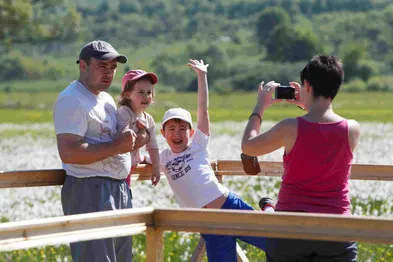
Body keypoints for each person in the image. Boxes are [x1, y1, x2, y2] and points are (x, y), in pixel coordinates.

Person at [241, 55, 360, 261]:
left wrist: (259, 106)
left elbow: (248, 146)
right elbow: (321, 126)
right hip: (337, 230)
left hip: (290, 229)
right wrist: (308, 104)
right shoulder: (351, 129)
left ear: (306, 84)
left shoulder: (290, 127)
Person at [159, 59, 267, 262]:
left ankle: (271, 211)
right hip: (209, 225)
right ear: (163, 133)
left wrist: (202, 76)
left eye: (182, 129)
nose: (177, 134)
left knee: (275, 243)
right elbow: (138, 157)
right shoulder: (162, 157)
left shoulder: (198, 145)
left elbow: (203, 110)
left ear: (191, 132)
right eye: (171, 129)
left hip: (228, 207)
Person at [53, 40, 135, 262]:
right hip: (89, 190)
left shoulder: (106, 99)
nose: (109, 73)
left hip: (118, 189)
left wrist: (137, 140)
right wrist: (118, 146)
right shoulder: (72, 99)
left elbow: (114, 142)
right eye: (102, 66)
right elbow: (69, 153)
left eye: (113, 68)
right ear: (83, 65)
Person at [118, 69, 161, 188]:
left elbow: (153, 146)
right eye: (141, 92)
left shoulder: (149, 119)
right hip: (121, 166)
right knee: (124, 192)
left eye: (149, 92)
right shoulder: (124, 112)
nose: (146, 96)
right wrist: (139, 133)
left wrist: (156, 169)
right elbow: (123, 135)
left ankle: (141, 159)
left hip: (132, 163)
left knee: (126, 193)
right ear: (127, 94)